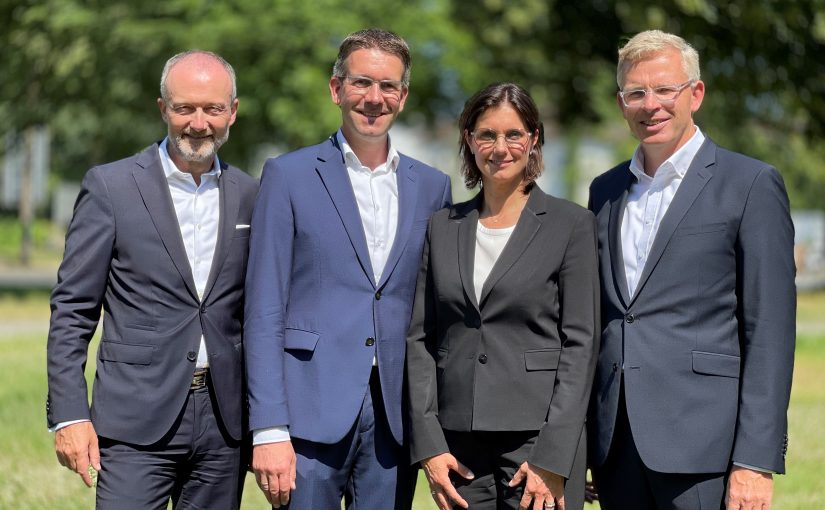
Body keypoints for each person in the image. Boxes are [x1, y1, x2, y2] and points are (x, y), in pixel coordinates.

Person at [244, 28, 452, 509]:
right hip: (307, 413)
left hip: (394, 420)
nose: (374, 98)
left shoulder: (433, 187)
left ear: (402, 96)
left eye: (388, 86)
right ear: (337, 89)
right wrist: (269, 427)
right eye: (362, 83)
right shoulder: (287, 175)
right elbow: (264, 308)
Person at [587, 30, 796, 510]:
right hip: (616, 447)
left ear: (695, 94)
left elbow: (770, 332)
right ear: (622, 103)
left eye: (666, 90)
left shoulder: (750, 184)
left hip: (706, 449)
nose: (651, 104)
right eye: (636, 93)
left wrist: (754, 461)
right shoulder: (605, 191)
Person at [46, 50, 257, 509]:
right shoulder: (111, 187)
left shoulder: (251, 194)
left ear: (233, 112)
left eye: (212, 109)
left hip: (225, 424)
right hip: (134, 419)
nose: (198, 123)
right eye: (185, 108)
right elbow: (73, 310)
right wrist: (67, 415)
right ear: (162, 108)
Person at [406, 82, 600, 510]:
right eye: (487, 134)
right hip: (458, 446)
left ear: (533, 140)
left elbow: (581, 345)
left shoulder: (572, 225)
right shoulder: (442, 226)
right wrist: (430, 446)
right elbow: (420, 339)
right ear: (469, 142)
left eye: (514, 134)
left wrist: (555, 454)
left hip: (537, 441)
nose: (500, 147)